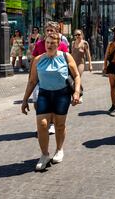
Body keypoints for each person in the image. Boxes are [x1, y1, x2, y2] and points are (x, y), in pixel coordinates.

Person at [21, 32, 81, 171]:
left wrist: (76, 92)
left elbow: (76, 75)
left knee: (59, 125)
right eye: (47, 42)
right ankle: (44, 155)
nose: (49, 45)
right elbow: (32, 81)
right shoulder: (38, 60)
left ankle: (59, 150)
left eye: (52, 43)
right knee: (42, 125)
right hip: (44, 95)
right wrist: (25, 100)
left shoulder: (66, 57)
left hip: (62, 95)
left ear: (58, 44)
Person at [31, 21, 69, 134]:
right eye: (47, 30)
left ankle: (51, 124)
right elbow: (33, 60)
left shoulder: (62, 45)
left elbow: (67, 61)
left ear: (56, 32)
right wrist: (30, 78)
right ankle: (42, 121)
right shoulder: (39, 44)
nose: (49, 32)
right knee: (36, 101)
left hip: (56, 80)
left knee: (52, 103)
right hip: (39, 79)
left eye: (51, 30)